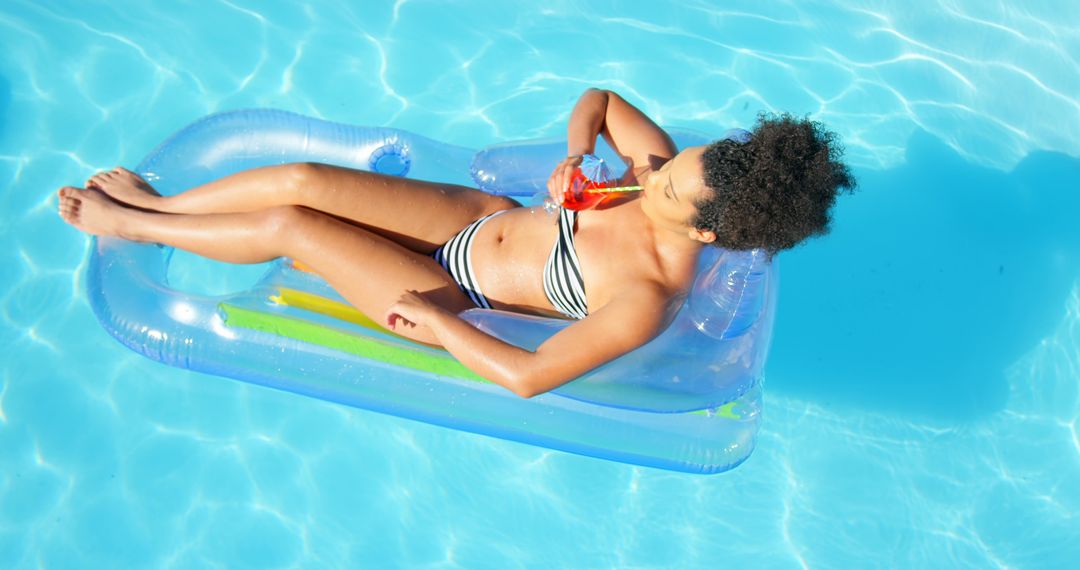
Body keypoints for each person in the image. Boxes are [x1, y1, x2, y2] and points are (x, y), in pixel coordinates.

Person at [57, 88, 855, 398]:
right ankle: (166, 205)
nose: (656, 176)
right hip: (471, 215)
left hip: (448, 291)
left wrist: (441, 325)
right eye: (673, 163)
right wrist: (575, 154)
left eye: (672, 188)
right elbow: (603, 100)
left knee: (293, 230)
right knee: (302, 175)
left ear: (706, 232)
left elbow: (533, 375)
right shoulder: (662, 174)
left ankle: (132, 223)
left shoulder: (645, 296)